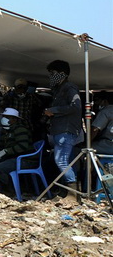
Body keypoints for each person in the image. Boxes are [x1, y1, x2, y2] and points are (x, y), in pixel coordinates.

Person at [43, 59, 83, 196]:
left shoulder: (69, 87)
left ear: (62, 73)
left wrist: (54, 110)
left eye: (52, 73)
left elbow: (75, 106)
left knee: (60, 160)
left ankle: (72, 194)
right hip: (60, 130)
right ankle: (66, 194)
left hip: (66, 130)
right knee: (66, 162)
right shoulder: (59, 89)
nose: (50, 76)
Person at [0, 108, 37, 194]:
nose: (4, 119)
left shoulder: (20, 129)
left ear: (14, 119)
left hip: (26, 159)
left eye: (7, 117)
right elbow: (0, 150)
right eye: (4, 116)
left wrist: (6, 151)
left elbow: (22, 146)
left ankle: (9, 190)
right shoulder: (5, 131)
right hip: (13, 158)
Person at [91, 92, 113, 156]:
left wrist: (87, 143)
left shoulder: (105, 111)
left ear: (104, 101)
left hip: (109, 144)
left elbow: (95, 129)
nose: (96, 103)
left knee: (80, 149)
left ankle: (89, 166)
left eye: (97, 101)